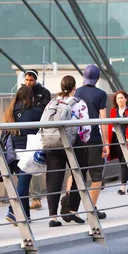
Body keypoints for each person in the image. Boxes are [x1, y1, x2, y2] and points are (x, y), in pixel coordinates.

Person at [44, 75, 91, 227]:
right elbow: (86, 127)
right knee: (79, 174)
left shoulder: (52, 102)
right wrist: (84, 140)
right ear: (74, 88)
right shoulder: (79, 103)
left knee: (53, 178)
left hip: (53, 142)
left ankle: (53, 217)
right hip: (72, 142)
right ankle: (72, 210)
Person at [3, 86, 43, 225]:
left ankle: (25, 215)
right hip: (28, 152)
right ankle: (12, 210)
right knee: (22, 185)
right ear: (30, 97)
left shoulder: (10, 111)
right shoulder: (36, 112)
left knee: (23, 184)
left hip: (12, 153)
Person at [73, 65, 109, 219]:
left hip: (78, 139)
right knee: (96, 175)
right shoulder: (101, 94)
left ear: (83, 76)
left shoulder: (77, 92)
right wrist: (106, 142)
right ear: (98, 78)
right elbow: (103, 120)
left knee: (76, 173)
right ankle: (91, 209)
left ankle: (70, 208)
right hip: (94, 138)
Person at [22, 69, 51, 210]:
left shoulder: (43, 93)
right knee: (23, 164)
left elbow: (44, 111)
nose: (28, 83)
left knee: (35, 162)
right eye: (26, 80)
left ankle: (36, 197)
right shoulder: (22, 92)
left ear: (35, 80)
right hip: (23, 133)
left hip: (37, 132)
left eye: (31, 80)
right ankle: (24, 197)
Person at [107, 90, 128, 195]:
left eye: (121, 98)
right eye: (118, 98)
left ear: (126, 99)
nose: (120, 100)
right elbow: (110, 125)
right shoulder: (113, 111)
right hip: (116, 140)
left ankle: (123, 186)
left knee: (125, 163)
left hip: (127, 139)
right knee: (122, 162)